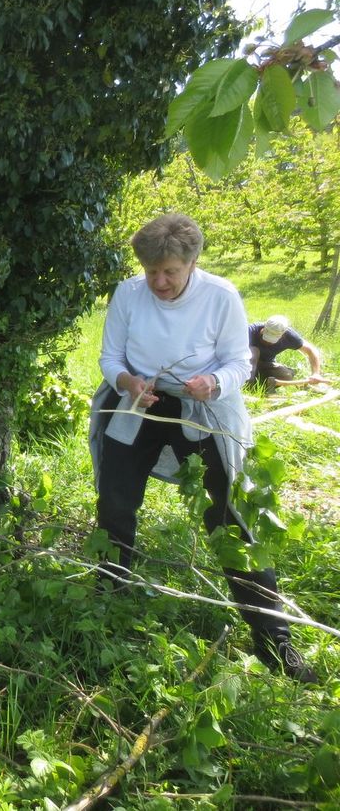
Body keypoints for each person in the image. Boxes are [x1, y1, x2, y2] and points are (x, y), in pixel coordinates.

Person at [89, 214, 317, 682]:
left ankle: (276, 641)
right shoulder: (129, 294)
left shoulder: (221, 296)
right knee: (115, 497)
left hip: (202, 406)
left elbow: (239, 362)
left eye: (170, 271)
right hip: (140, 402)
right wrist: (127, 380)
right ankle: (109, 591)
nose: (159, 281)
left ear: (192, 263)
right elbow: (111, 357)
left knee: (229, 514)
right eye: (151, 271)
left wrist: (214, 382)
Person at [248, 314, 325, 390]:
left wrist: (316, 373)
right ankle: (247, 385)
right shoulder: (250, 331)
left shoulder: (289, 336)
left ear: (283, 334)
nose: (268, 342)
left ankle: (260, 387)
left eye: (272, 339)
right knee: (254, 351)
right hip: (246, 363)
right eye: (266, 337)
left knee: (287, 375)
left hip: (266, 365)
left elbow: (311, 350)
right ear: (264, 327)